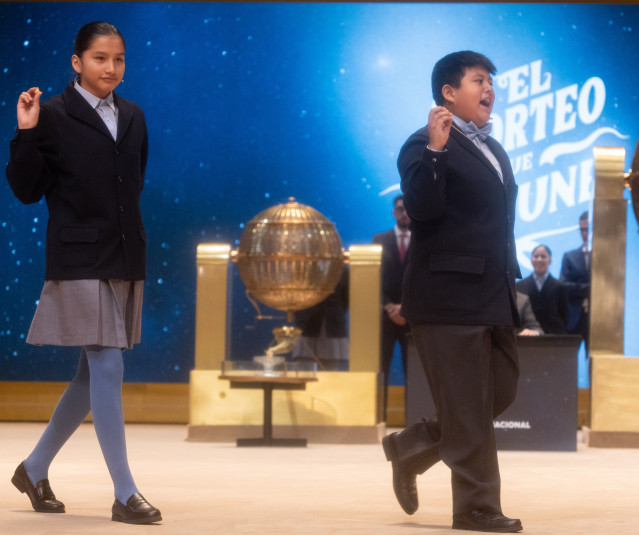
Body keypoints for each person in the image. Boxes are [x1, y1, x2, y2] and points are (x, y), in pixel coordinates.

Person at [6, 22, 161, 524]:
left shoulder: (134, 116)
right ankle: (125, 492)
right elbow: (27, 190)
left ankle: (33, 468)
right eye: (99, 58)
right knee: (108, 363)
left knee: (88, 374)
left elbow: (130, 185)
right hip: (77, 259)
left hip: (123, 256)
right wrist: (25, 132)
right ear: (77, 62)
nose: (110, 68)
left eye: (118, 59)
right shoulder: (50, 113)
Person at [382, 51, 522, 533]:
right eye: (479, 81)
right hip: (447, 298)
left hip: (494, 295)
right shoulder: (421, 143)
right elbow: (421, 209)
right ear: (448, 92)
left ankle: (411, 447)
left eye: (491, 82)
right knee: (467, 407)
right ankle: (477, 506)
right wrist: (437, 153)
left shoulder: (494, 149)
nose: (490, 90)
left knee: (498, 392)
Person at [372, 194, 411, 419]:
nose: (404, 213)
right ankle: (379, 420)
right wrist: (388, 307)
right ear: (394, 212)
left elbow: (425, 280)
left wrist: (406, 309)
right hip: (384, 318)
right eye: (400, 209)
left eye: (408, 209)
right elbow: (372, 279)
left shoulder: (424, 240)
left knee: (413, 372)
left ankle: (412, 422)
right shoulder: (379, 240)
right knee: (381, 370)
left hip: (412, 319)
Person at [292, 267, 349, 371]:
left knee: (330, 374)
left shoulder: (343, 270)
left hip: (333, 327)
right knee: (304, 371)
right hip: (307, 326)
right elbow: (295, 296)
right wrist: (302, 317)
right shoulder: (302, 268)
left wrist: (334, 313)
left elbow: (346, 299)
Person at [516, 245, 570, 334]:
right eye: (536, 256)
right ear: (531, 260)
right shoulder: (519, 286)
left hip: (555, 338)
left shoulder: (560, 286)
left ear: (550, 260)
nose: (539, 259)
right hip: (527, 338)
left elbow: (565, 316)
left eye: (543, 256)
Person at [560, 211, 591, 352]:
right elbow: (564, 285)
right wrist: (592, 288)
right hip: (574, 316)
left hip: (600, 318)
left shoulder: (605, 257)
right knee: (568, 359)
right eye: (582, 229)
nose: (585, 233)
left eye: (588, 229)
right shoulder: (570, 256)